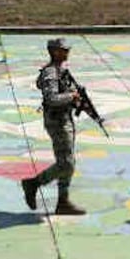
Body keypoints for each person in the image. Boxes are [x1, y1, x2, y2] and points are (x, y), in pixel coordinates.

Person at [21, 37, 86, 215]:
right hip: (57, 122)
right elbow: (51, 98)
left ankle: (63, 202)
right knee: (66, 163)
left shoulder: (61, 71)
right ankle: (33, 184)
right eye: (63, 50)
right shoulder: (51, 72)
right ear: (54, 51)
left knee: (68, 162)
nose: (67, 52)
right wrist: (71, 97)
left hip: (65, 119)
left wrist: (78, 101)